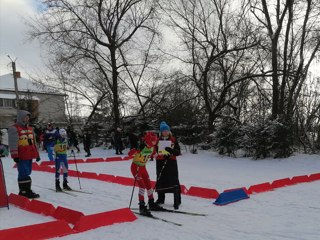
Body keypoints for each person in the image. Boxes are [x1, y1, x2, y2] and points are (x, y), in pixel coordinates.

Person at [8, 110, 41, 198]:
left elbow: (33, 143)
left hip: (29, 154)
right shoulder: (14, 128)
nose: (27, 118)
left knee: (27, 172)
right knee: (23, 173)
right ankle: (24, 191)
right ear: (20, 117)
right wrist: (15, 155)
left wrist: (37, 154)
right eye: (25, 117)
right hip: (21, 155)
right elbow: (13, 143)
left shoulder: (30, 129)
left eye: (28, 117)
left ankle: (26, 190)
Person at [130, 131, 163, 216]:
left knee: (149, 185)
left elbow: (157, 156)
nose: (154, 143)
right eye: (152, 141)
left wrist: (166, 154)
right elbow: (130, 154)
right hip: (136, 168)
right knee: (142, 186)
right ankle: (142, 206)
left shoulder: (153, 148)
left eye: (155, 141)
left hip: (143, 168)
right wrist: (135, 150)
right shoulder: (141, 147)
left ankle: (151, 203)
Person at [155, 121, 181, 209]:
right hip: (160, 162)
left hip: (171, 163)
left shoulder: (173, 139)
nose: (165, 132)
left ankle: (177, 200)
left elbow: (178, 152)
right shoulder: (157, 140)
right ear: (161, 132)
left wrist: (172, 151)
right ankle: (160, 199)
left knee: (174, 180)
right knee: (160, 179)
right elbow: (154, 151)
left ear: (169, 131)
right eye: (163, 131)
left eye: (167, 130)